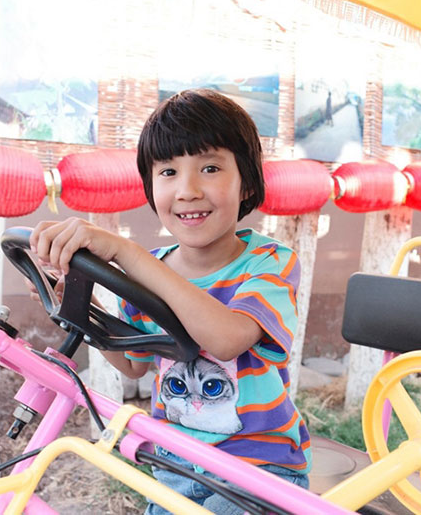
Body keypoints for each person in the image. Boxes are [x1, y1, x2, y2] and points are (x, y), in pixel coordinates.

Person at [29, 89, 311, 514]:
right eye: (168, 172)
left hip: (258, 471)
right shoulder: (152, 268)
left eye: (210, 168)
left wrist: (127, 254)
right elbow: (134, 363)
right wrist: (80, 307)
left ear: (247, 182)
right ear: (150, 185)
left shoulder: (269, 262)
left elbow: (227, 339)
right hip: (176, 466)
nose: (188, 190)